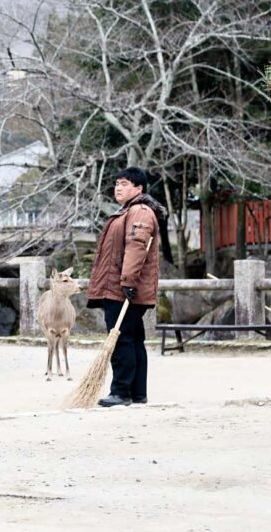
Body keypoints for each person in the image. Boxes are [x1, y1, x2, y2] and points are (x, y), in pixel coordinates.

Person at [87, 167, 165, 407]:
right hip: (120, 286)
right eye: (116, 184)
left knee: (121, 340)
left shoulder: (140, 212)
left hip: (122, 288)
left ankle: (121, 392)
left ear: (138, 188)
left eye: (124, 183)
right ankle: (137, 392)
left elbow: (137, 246)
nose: (118, 188)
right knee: (132, 338)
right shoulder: (127, 212)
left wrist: (128, 281)